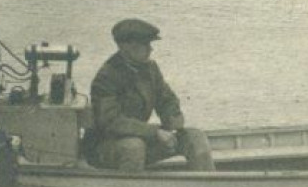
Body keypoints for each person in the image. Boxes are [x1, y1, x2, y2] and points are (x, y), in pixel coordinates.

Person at [88, 18, 215, 172]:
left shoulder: (150, 69)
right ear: (126, 46)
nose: (150, 49)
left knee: (195, 138)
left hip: (141, 138)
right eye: (145, 44)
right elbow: (112, 122)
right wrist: (155, 132)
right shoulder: (106, 77)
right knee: (133, 148)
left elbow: (167, 100)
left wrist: (173, 128)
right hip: (106, 147)